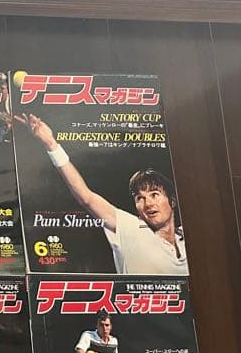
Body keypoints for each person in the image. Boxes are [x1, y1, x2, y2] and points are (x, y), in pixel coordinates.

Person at [14, 113, 186, 274]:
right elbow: (86, 198)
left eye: (154, 194)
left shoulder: (188, 238)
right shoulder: (131, 229)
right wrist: (51, 144)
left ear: (172, 201)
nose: (148, 203)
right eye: (140, 198)